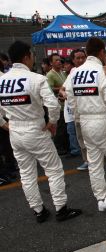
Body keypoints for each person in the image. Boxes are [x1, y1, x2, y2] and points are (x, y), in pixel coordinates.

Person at [0, 41, 81, 222]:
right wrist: (52, 122)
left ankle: (38, 211)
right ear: (27, 57)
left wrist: (5, 125)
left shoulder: (1, 81)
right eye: (32, 55)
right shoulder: (36, 78)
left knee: (26, 173)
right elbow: (52, 104)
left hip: (15, 130)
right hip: (35, 128)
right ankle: (61, 208)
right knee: (53, 169)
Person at [65, 37, 106, 211]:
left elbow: (69, 98)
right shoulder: (103, 71)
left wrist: (79, 118)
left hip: (85, 121)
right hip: (103, 120)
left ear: (86, 52)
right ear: (101, 52)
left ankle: (100, 198)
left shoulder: (75, 73)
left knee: (94, 163)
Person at [46, 53, 68, 155]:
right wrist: (61, 88)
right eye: (56, 60)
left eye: (60, 60)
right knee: (60, 127)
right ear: (51, 63)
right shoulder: (50, 74)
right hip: (57, 104)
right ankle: (59, 147)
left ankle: (65, 146)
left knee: (65, 126)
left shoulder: (63, 73)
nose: (59, 62)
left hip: (66, 104)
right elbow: (49, 89)